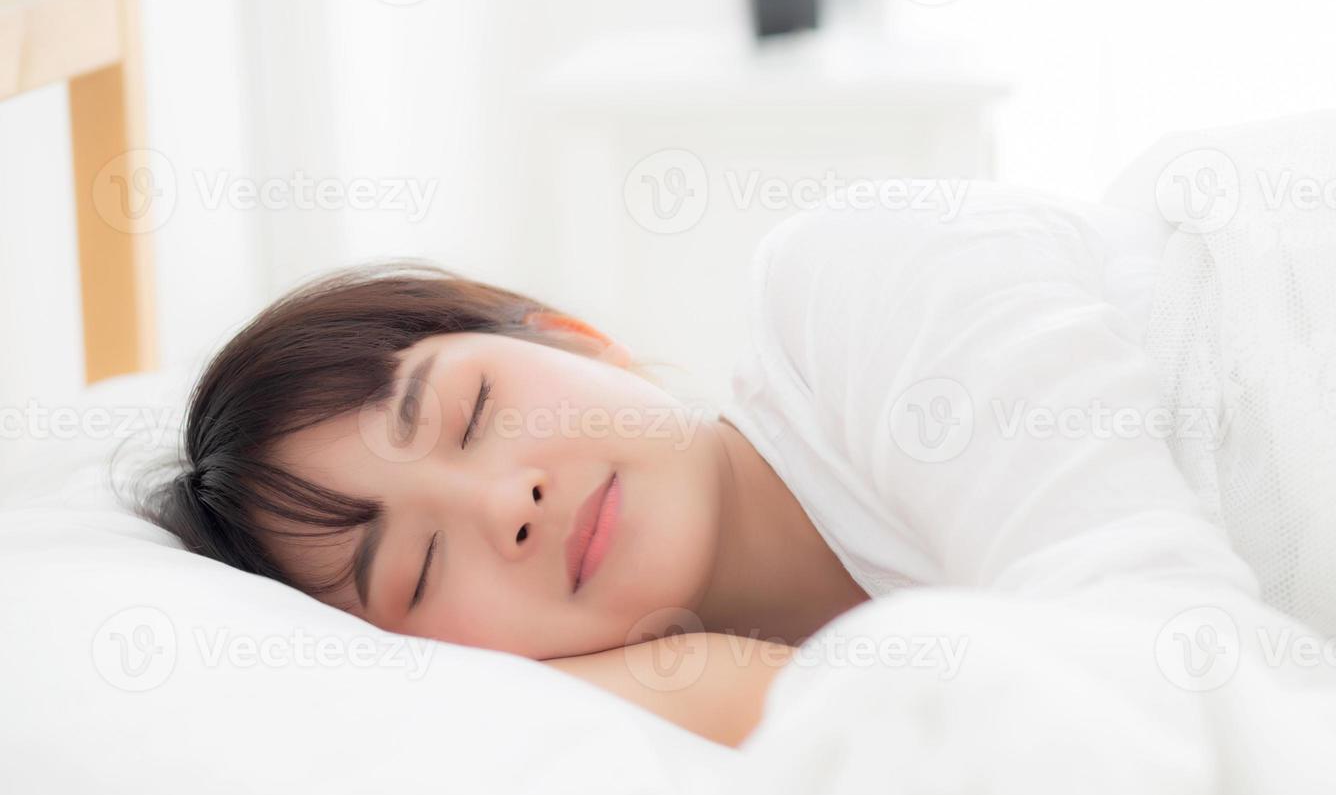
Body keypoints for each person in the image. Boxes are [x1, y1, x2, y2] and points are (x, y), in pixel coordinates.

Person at [137, 186, 1255, 747]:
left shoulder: (859, 286)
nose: (505, 503)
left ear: (571, 332)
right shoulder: (733, 726)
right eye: (418, 569)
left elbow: (1197, 687)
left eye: (471, 410)